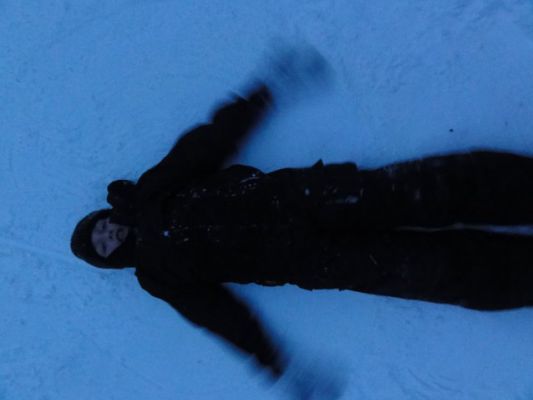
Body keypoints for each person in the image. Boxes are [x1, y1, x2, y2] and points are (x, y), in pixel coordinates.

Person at [71, 50, 533, 391]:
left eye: (102, 227)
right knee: (433, 271)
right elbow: (218, 315)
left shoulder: (152, 192)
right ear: (112, 260)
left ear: (108, 215)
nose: (110, 235)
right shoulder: (157, 275)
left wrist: (263, 93)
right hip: (308, 260)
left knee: (427, 190)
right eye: (105, 245)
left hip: (306, 199)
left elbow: (207, 144)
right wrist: (273, 361)